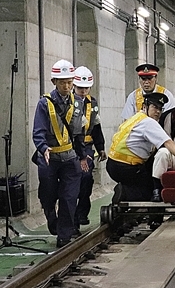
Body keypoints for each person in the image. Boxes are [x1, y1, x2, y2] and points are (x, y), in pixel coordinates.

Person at [31, 59, 90, 248]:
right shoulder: (44, 104)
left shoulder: (78, 104)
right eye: (62, 82)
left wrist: (82, 156)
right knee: (48, 195)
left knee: (69, 197)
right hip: (49, 159)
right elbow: (38, 130)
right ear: (54, 81)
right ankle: (50, 214)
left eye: (69, 82)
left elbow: (79, 133)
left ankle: (64, 236)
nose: (67, 86)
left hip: (70, 159)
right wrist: (43, 147)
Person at [107, 92, 175, 203]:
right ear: (145, 107)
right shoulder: (149, 123)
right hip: (126, 167)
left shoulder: (136, 118)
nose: (158, 111)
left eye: (160, 108)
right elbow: (168, 142)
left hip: (113, 164)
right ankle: (125, 192)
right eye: (154, 107)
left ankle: (128, 198)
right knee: (153, 187)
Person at [72, 66, 107, 230]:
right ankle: (71, 216)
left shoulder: (92, 103)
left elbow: (97, 126)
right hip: (70, 148)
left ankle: (81, 213)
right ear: (74, 86)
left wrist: (100, 147)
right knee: (71, 182)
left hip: (86, 147)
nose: (83, 91)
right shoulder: (68, 102)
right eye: (80, 88)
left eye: (86, 88)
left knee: (86, 178)